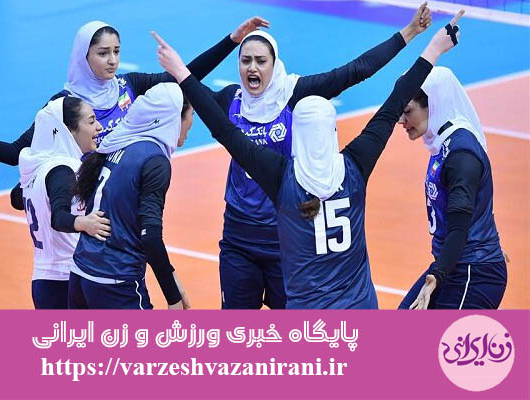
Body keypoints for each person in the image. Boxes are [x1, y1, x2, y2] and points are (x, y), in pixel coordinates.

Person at [152, 10, 462, 308]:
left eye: (261, 61)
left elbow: (357, 70)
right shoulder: (229, 100)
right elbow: (187, 88)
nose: (252, 68)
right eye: (245, 61)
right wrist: (230, 41)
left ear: (275, 64)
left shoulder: (294, 97)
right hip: (239, 237)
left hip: (287, 238)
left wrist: (409, 33)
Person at [0, 17, 270, 164]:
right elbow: (18, 153)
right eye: (103, 53)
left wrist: (232, 40)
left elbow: (184, 76)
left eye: (116, 51)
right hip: (84, 216)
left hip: (123, 204)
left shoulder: (128, 86)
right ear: (84, 56)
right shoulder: (63, 106)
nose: (113, 60)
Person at [69, 83, 192, 310]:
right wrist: (173, 297)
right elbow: (150, 236)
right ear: (175, 117)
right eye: (191, 114)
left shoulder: (118, 144)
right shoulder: (154, 161)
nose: (192, 122)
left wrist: (172, 275)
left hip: (80, 273)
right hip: (115, 282)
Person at [397, 66, 507, 310]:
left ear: (433, 104)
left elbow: (459, 226)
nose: (400, 120)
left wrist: (437, 275)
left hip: (473, 274)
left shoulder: (460, 154)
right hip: (456, 264)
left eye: (407, 111)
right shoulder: (443, 142)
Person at [18, 96, 111, 309]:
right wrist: (84, 223)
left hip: (47, 279)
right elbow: (58, 218)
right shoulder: (62, 170)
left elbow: (16, 199)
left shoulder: (39, 169)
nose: (99, 127)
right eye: (91, 121)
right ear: (68, 131)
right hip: (63, 280)